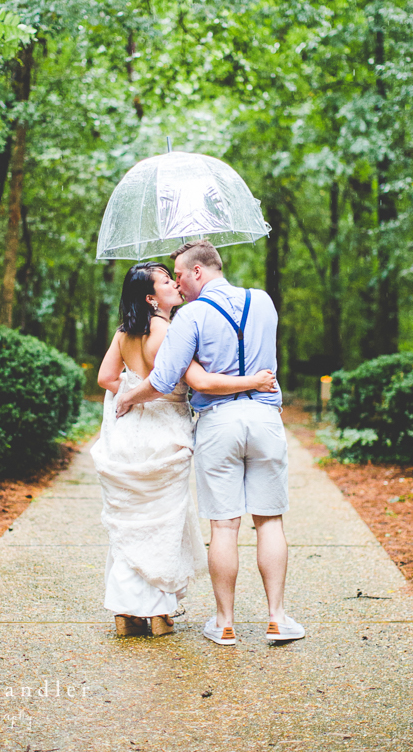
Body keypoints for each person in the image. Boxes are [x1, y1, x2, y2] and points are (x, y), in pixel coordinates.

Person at [114, 239, 303, 646]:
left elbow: (163, 381)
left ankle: (225, 623)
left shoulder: (191, 316)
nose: (178, 284)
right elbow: (266, 359)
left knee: (224, 526)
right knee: (270, 520)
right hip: (265, 418)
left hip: (219, 423)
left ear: (198, 271)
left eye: (179, 274)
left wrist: (128, 396)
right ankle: (277, 618)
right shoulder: (264, 302)